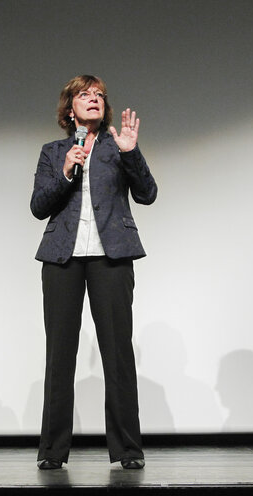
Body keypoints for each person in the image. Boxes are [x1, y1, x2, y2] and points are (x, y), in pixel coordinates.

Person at [30, 75, 157, 470]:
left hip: (112, 256)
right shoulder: (53, 151)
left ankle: (128, 450)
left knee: (118, 353)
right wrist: (66, 170)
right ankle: (52, 451)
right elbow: (38, 206)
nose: (94, 100)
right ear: (70, 108)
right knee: (60, 355)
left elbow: (148, 194)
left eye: (100, 95)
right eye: (85, 95)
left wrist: (132, 153)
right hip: (62, 258)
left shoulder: (119, 148)